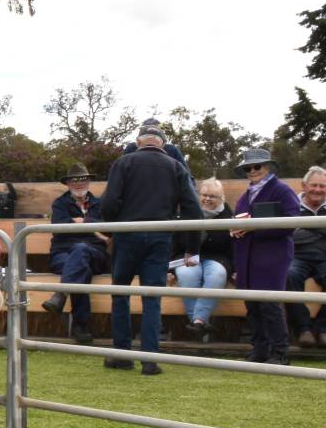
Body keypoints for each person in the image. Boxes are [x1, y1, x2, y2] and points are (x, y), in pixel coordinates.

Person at [100, 125, 201, 375]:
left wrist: (113, 230)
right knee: (152, 298)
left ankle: (122, 355)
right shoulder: (177, 167)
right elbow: (193, 209)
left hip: (126, 235)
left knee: (120, 294)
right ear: (163, 145)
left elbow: (109, 203)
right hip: (159, 237)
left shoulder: (124, 163)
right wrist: (192, 247)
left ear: (138, 142)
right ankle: (149, 359)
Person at [230, 149, 301, 364]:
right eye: (247, 168)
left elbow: (292, 221)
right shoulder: (244, 196)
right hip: (247, 257)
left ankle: (280, 352)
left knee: (270, 305)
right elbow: (239, 225)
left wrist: (254, 227)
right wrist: (235, 230)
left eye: (257, 166)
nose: (252, 171)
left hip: (273, 255)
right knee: (252, 306)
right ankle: (259, 349)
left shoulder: (281, 190)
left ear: (268, 166)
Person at [42, 163, 109, 344]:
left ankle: (61, 295)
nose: (79, 183)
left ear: (89, 181)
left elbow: (107, 232)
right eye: (75, 180)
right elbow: (59, 230)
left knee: (81, 250)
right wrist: (91, 228)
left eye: (83, 179)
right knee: (81, 267)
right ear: (68, 183)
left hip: (95, 255)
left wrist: (81, 221)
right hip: (63, 254)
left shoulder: (101, 204)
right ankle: (81, 325)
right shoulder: (59, 203)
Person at [168, 178, 234, 339]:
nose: (207, 199)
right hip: (187, 256)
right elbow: (173, 242)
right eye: (204, 195)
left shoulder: (227, 214)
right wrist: (168, 269)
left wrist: (236, 269)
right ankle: (200, 323)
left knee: (217, 275)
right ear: (198, 195)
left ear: (221, 198)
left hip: (217, 258)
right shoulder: (186, 211)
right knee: (187, 275)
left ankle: (197, 323)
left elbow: (233, 245)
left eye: (213, 196)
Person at [285, 166, 326, 347]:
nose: (318, 190)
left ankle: (323, 328)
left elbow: (298, 233)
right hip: (297, 256)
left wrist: (303, 228)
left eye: (322, 186)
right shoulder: (291, 206)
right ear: (304, 185)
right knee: (288, 275)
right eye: (314, 185)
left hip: (324, 257)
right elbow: (289, 235)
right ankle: (303, 330)